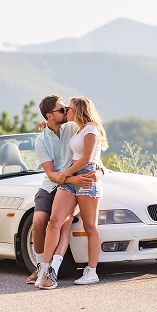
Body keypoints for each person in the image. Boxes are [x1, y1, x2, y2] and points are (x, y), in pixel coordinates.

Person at [28, 95, 102, 287]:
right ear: (49, 116)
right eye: (61, 110)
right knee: (43, 221)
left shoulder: (74, 127)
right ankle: (41, 266)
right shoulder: (41, 140)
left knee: (67, 223)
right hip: (55, 183)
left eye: (66, 109)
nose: (65, 112)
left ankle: (54, 270)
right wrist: (70, 177)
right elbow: (52, 175)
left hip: (77, 179)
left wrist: (99, 172)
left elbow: (92, 156)